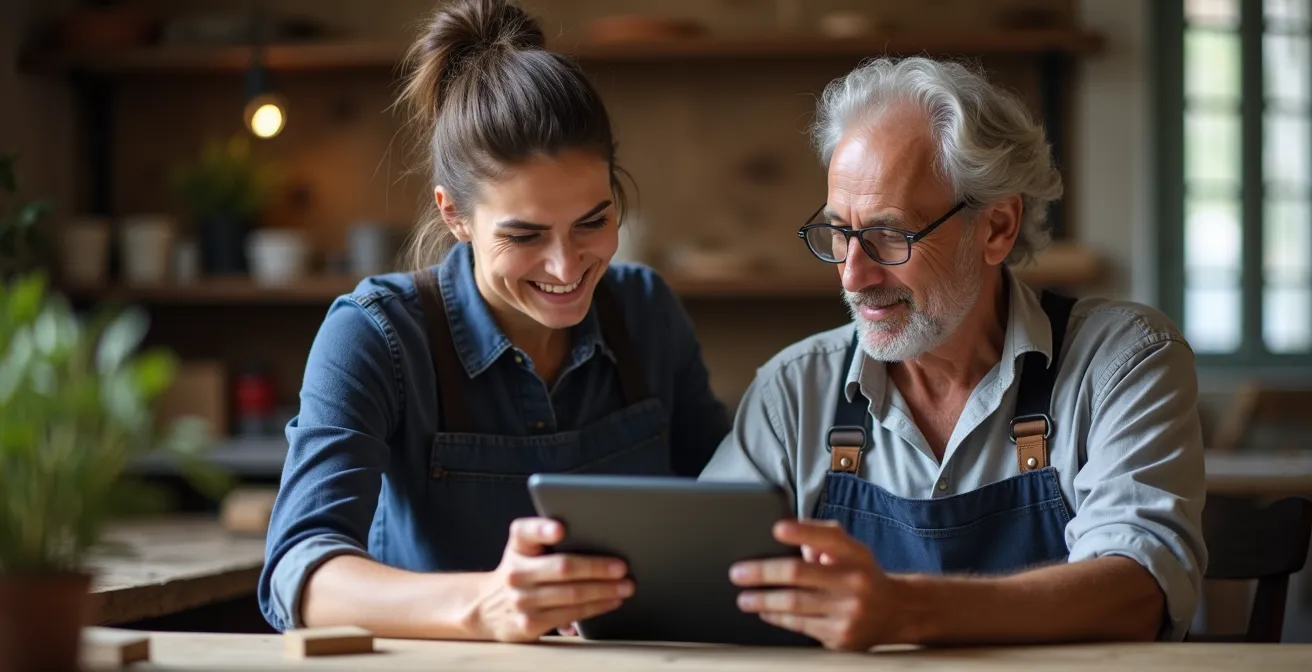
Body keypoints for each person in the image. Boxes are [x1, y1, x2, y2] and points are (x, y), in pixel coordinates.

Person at [258, 0, 730, 641]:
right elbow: (299, 573)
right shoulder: (376, 335)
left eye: (593, 220)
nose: (567, 266)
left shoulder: (646, 311)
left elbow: (725, 513)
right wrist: (485, 603)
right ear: (454, 216)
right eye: (525, 235)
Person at [701, 57, 1207, 650]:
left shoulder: (1123, 363)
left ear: (997, 227)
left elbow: (1138, 592)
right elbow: (698, 576)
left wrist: (906, 609)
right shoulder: (793, 391)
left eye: (891, 234)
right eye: (840, 232)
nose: (854, 275)